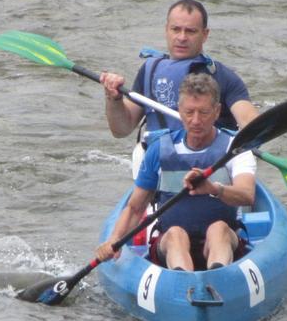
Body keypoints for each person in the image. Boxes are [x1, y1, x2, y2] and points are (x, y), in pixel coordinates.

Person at [96, 73, 255, 272]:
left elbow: (247, 195)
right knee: (175, 234)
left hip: (222, 242)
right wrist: (114, 240)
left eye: (204, 112)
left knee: (219, 228)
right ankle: (183, 281)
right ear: (179, 111)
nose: (196, 120)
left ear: (217, 112)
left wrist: (214, 189)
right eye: (189, 112)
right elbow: (136, 208)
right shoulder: (159, 149)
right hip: (170, 245)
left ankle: (217, 275)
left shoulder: (235, 148)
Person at [99, 0, 259, 174]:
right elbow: (121, 130)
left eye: (191, 31)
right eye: (176, 29)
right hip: (159, 165)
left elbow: (252, 125)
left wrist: (245, 145)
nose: (182, 37)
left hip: (210, 168)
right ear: (166, 30)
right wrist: (113, 98)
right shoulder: (149, 71)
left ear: (205, 34)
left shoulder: (221, 76)